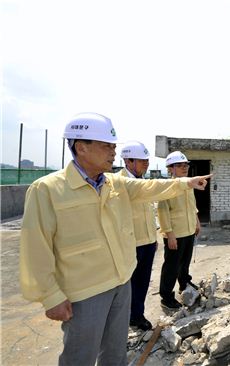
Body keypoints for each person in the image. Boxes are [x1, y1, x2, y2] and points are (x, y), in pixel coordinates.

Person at [19, 112, 211, 366]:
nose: (112, 152)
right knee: (81, 356)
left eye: (113, 146)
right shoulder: (47, 190)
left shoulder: (114, 184)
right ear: (81, 147)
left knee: (115, 353)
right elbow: (36, 248)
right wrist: (51, 295)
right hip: (84, 292)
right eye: (106, 146)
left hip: (121, 282)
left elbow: (150, 187)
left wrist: (186, 182)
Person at [118, 140, 156, 331]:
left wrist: (154, 238)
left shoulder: (143, 182)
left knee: (142, 282)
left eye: (147, 161)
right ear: (128, 161)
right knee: (127, 286)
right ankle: (123, 318)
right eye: (142, 161)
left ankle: (137, 315)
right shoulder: (118, 182)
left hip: (149, 241)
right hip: (130, 244)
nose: (146, 164)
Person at [158, 151, 200, 309]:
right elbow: (162, 212)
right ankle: (166, 297)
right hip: (175, 234)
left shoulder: (189, 184)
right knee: (171, 266)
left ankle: (184, 283)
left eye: (186, 165)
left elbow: (192, 206)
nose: (184, 168)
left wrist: (196, 222)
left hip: (188, 230)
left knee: (185, 262)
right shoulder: (166, 187)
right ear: (170, 168)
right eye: (180, 165)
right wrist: (169, 235)